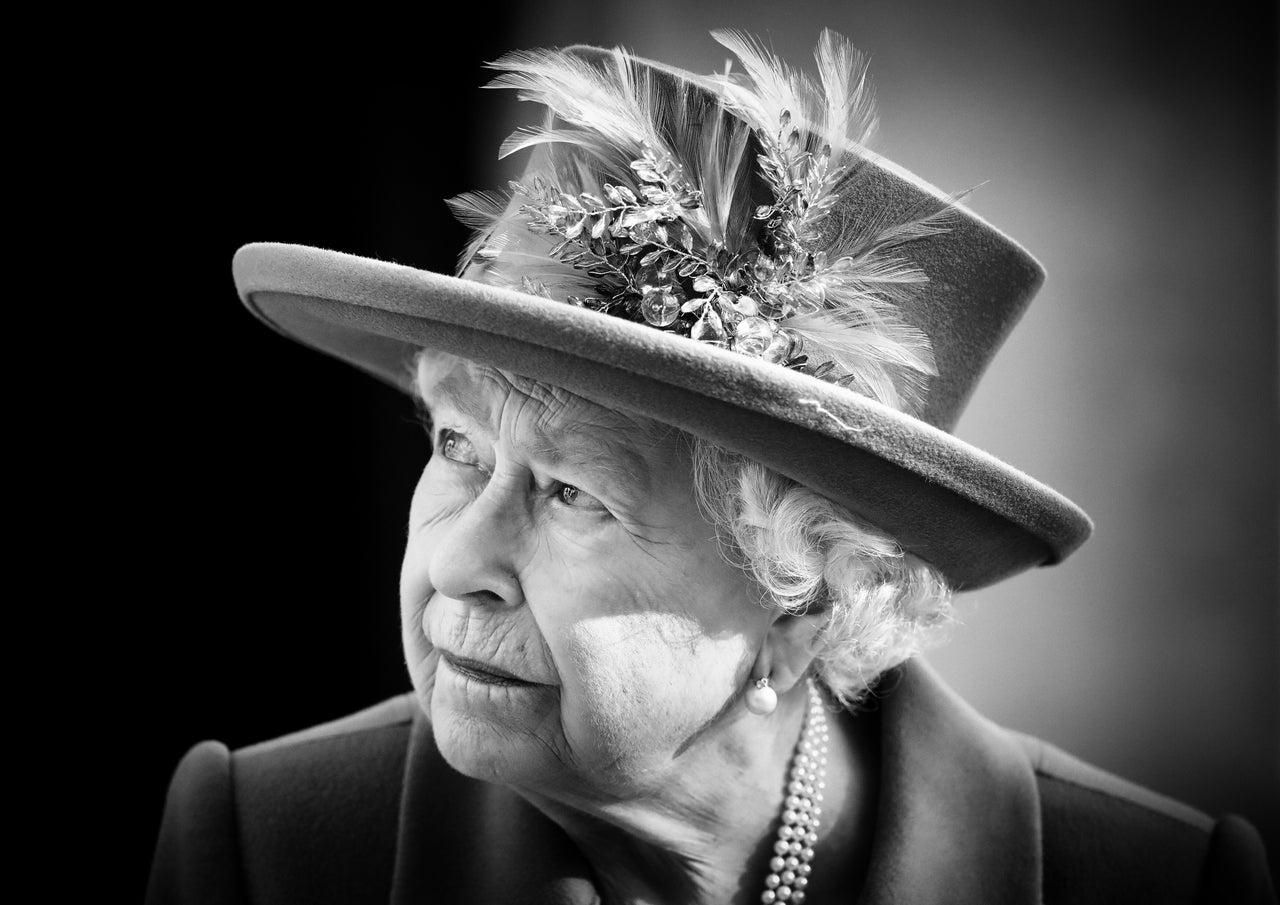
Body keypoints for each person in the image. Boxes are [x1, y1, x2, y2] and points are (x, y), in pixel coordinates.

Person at [147, 30, 1276, 905]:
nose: (456, 558)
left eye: (573, 493)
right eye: (458, 447)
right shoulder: (269, 847)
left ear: (806, 601)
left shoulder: (1152, 883)